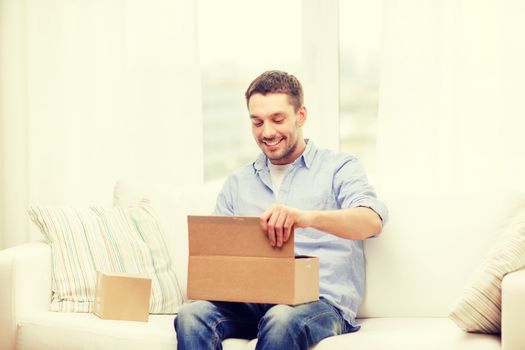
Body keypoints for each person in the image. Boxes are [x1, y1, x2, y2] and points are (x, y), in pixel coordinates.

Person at [174, 70, 388, 350]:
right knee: (190, 315)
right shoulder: (238, 183)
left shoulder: (339, 167)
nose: (267, 132)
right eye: (257, 122)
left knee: (281, 318)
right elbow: (218, 259)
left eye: (277, 119)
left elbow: (371, 221)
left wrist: (305, 218)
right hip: (251, 301)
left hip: (318, 303)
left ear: (301, 116)